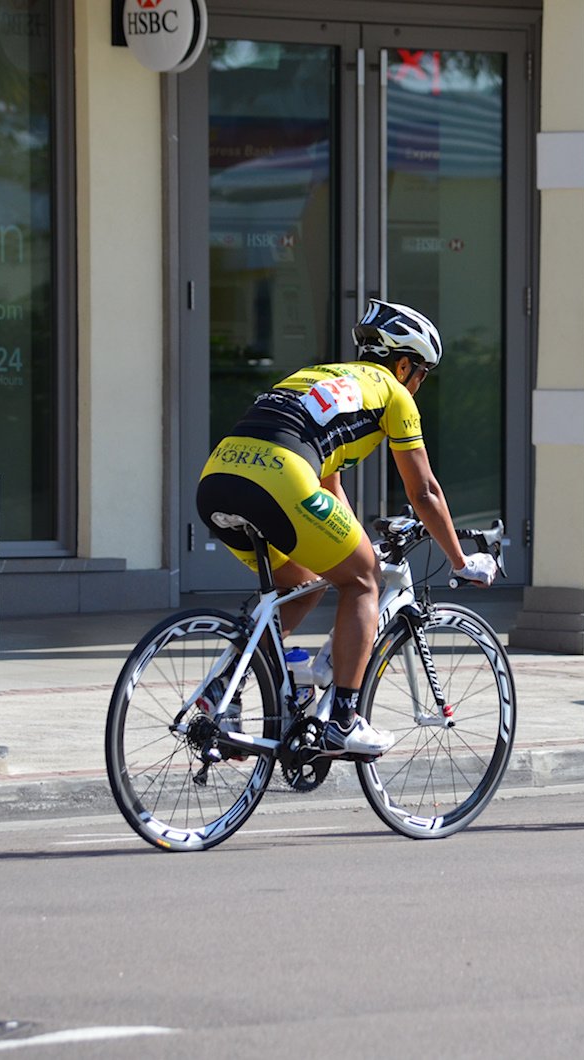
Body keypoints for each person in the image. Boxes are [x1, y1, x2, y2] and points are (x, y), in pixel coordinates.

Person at [196, 299, 498, 757]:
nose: (419, 385)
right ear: (403, 365)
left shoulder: (320, 377)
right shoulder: (393, 393)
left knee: (305, 583)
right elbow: (424, 493)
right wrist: (460, 560)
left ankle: (224, 687)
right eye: (422, 374)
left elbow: (329, 486)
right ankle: (343, 721)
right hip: (281, 476)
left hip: (218, 478)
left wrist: (355, 545)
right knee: (363, 582)